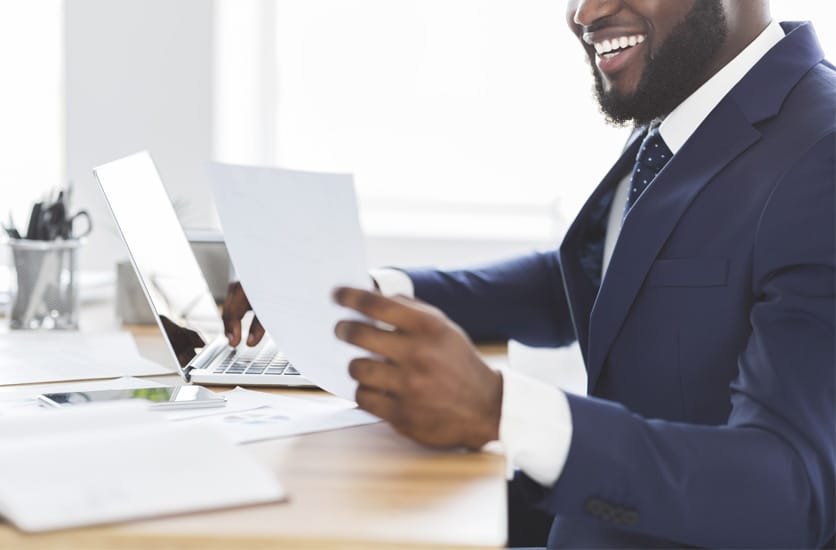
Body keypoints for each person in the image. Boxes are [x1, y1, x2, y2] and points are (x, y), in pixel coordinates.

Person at [224, 0, 835, 546]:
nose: (583, 11)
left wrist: (502, 410)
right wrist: (368, 295)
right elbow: (590, 282)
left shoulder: (821, 150)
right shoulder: (684, 102)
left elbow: (791, 489)